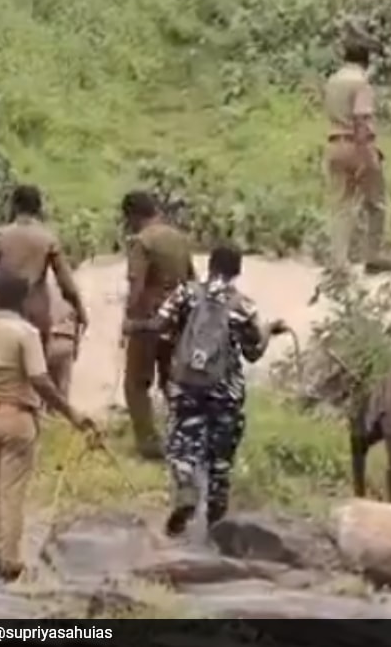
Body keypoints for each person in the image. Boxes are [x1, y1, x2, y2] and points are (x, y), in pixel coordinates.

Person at [124, 245, 288, 535]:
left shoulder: (186, 293)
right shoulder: (243, 306)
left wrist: (133, 326)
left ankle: (186, 488)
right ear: (237, 271)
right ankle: (216, 518)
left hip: (187, 384)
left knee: (181, 445)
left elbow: (159, 325)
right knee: (221, 457)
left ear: (210, 266)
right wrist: (268, 331)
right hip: (226, 391)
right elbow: (253, 353)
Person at [0, 270, 97, 581]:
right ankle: (11, 560)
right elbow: (40, 379)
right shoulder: (26, 334)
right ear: (23, 300)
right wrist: (70, 412)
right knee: (12, 491)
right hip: (17, 417)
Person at [0, 185, 87, 354]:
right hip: (37, 315)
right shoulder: (47, 239)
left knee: (6, 366)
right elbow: (66, 285)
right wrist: (80, 311)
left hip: (5, 314)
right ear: (39, 208)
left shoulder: (0, 236)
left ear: (14, 206)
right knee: (37, 366)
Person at [119, 190, 197, 461]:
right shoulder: (179, 239)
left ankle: (149, 444)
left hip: (147, 320)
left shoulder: (142, 242)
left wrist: (128, 320)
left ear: (132, 217)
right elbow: (192, 280)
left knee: (136, 383)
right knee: (171, 380)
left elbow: (136, 284)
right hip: (176, 318)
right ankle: (185, 436)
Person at [322, 39, 391, 274]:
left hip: (334, 144)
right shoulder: (361, 83)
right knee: (376, 203)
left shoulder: (333, 81)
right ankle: (372, 257)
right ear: (366, 60)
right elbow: (361, 119)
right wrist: (366, 156)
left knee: (341, 205)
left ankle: (338, 261)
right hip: (356, 145)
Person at [46, 290, 80, 401]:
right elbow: (81, 322)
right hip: (67, 340)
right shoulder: (72, 294)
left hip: (47, 339)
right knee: (62, 389)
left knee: (44, 388)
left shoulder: (41, 290)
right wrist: (76, 347)